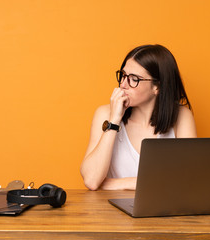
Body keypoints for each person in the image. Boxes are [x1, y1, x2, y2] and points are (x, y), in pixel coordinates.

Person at [80, 44, 197, 191]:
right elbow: (91, 180)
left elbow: (190, 178)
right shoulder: (104, 114)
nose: (123, 84)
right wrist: (114, 120)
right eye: (123, 75)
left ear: (157, 87)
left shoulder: (181, 116)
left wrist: (116, 184)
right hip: (111, 211)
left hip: (164, 211)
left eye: (134, 79)